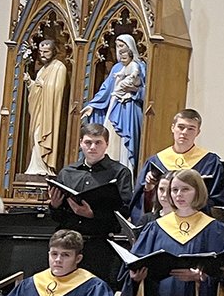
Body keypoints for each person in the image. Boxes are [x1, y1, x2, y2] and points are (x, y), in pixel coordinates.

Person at [130, 109, 224, 220]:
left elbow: (219, 201)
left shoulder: (209, 162)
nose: (184, 132)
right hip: (162, 222)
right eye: (181, 127)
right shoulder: (156, 161)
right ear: (172, 128)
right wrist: (149, 188)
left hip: (196, 223)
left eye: (191, 129)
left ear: (198, 132)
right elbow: (140, 205)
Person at [48, 123, 134, 236]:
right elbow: (57, 217)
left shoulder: (120, 172)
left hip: (101, 238)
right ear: (80, 143)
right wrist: (54, 206)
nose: (93, 147)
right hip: (68, 237)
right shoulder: (67, 172)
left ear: (107, 144)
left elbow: (125, 211)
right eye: (88, 142)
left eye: (98, 142)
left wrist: (93, 214)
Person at [83, 34, 145, 173]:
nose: (119, 49)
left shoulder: (139, 66)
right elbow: (106, 88)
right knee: (109, 138)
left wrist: (134, 90)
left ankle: (124, 172)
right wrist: (92, 105)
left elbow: (146, 90)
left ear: (130, 48)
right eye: (117, 46)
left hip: (128, 108)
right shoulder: (117, 68)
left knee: (124, 142)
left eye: (122, 46)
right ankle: (106, 173)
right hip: (113, 107)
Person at [23, 38, 69, 175]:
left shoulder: (59, 67)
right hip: (39, 111)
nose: (43, 54)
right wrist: (30, 83)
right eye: (41, 52)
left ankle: (44, 168)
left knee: (41, 135)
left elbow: (58, 89)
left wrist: (43, 85)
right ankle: (35, 167)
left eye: (46, 52)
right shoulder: (42, 69)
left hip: (49, 113)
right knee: (35, 135)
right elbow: (36, 92)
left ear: (53, 51)